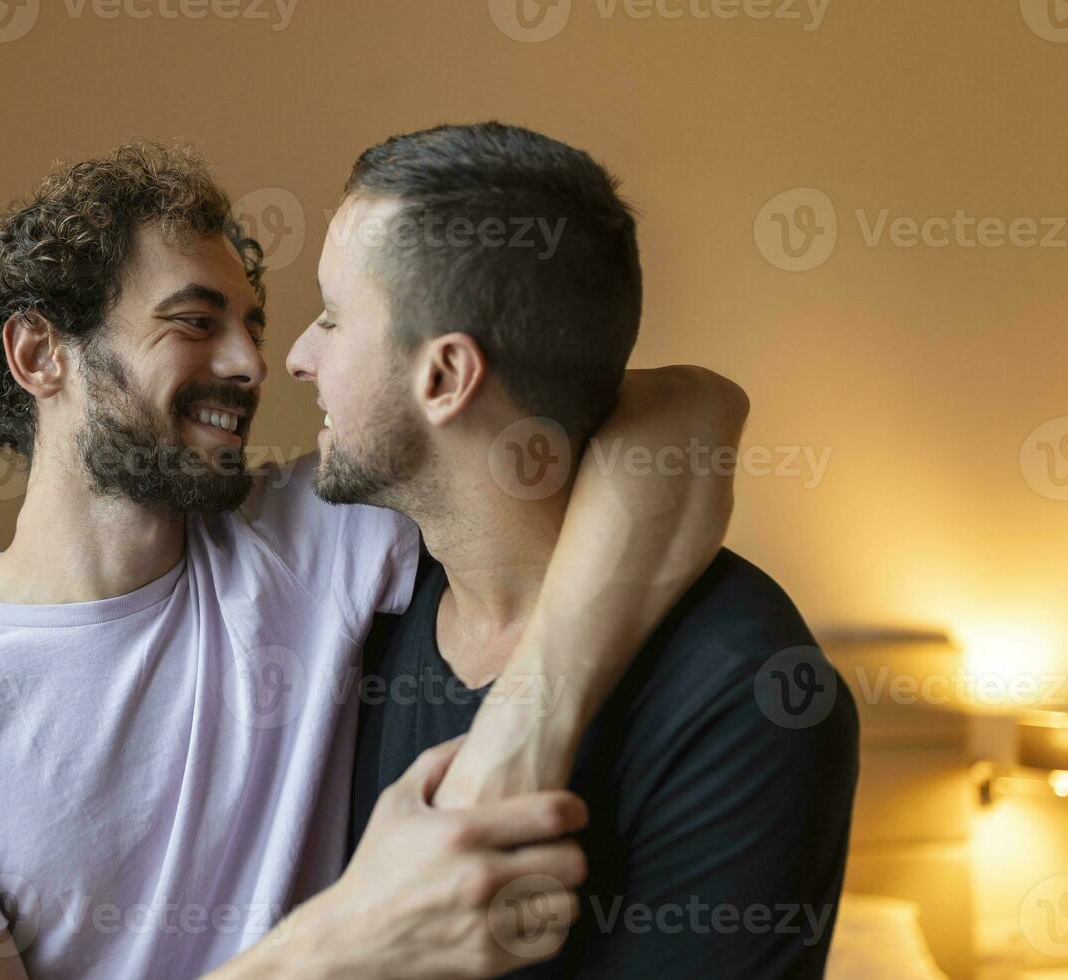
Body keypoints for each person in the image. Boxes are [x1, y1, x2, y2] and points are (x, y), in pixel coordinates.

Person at [0, 142, 744, 980]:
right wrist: (344, 939)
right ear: (40, 354)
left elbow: (689, 409)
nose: (249, 364)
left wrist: (524, 734)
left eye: (255, 325)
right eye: (195, 322)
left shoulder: (310, 531)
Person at [290, 122, 860, 978]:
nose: (297, 357)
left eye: (332, 319)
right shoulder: (360, 588)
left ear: (444, 377)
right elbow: (690, 405)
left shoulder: (745, 691)